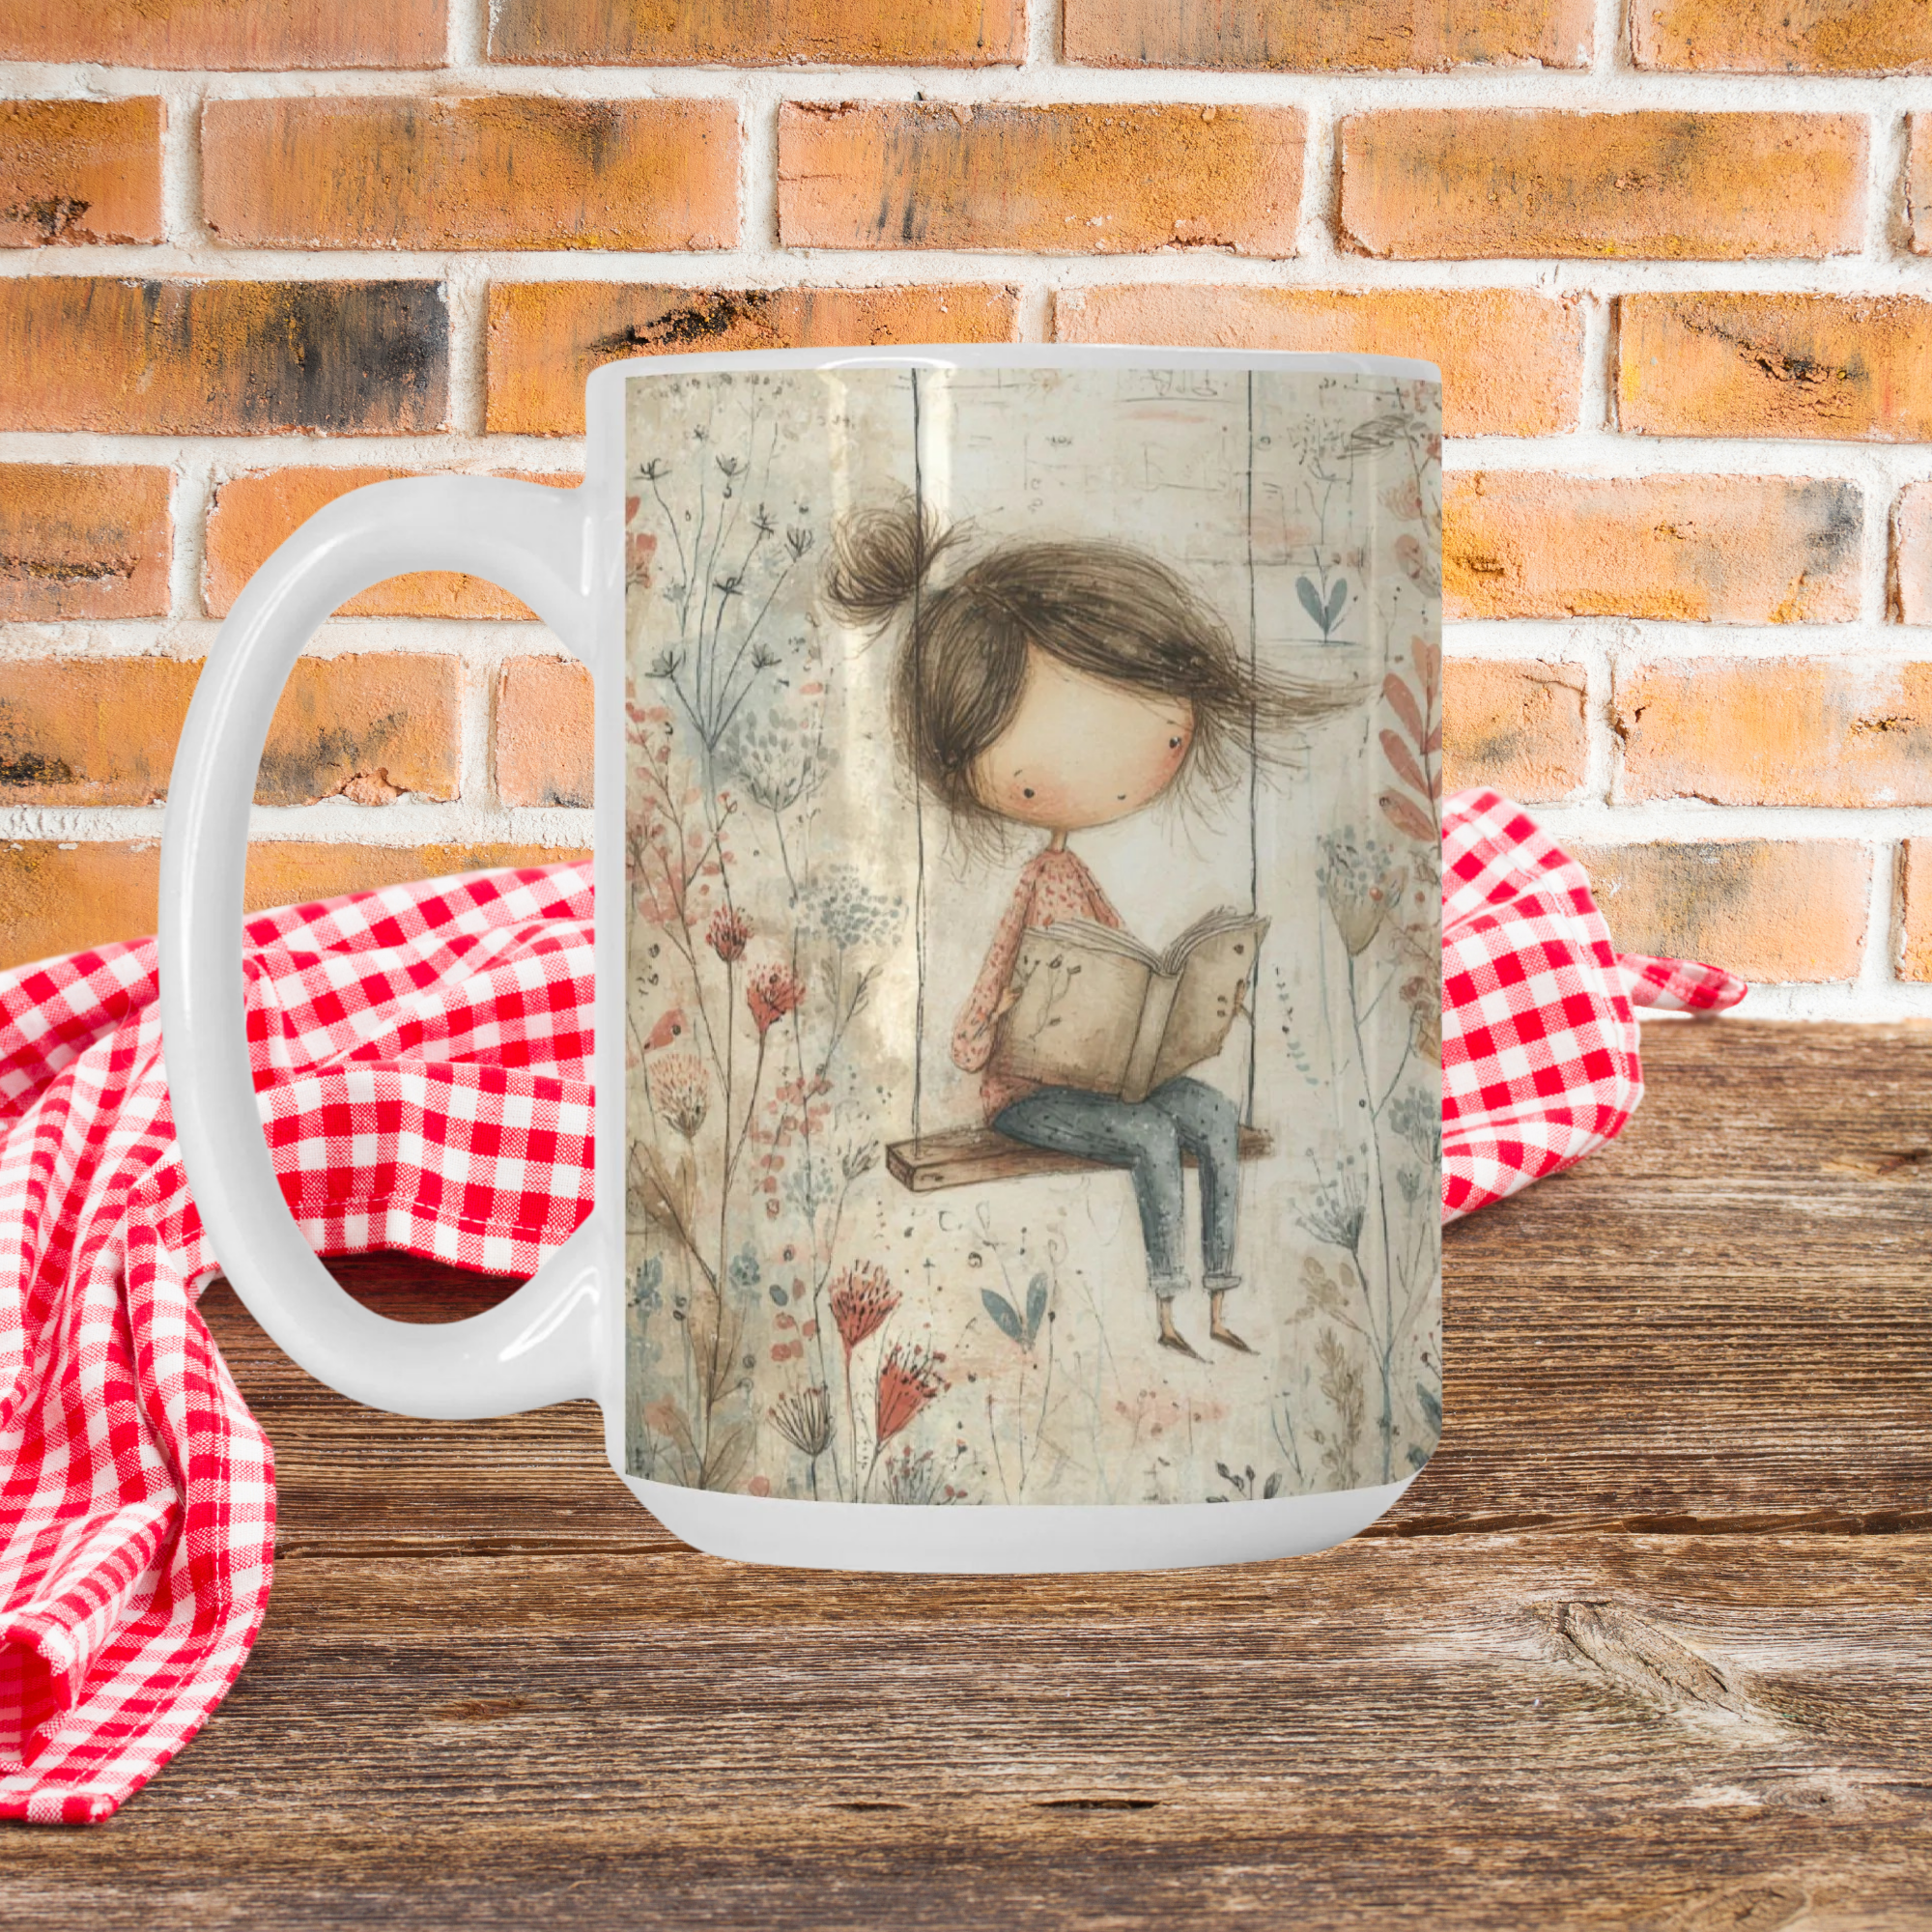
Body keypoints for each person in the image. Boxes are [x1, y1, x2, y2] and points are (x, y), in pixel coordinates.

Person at [826, 503, 1349, 1359]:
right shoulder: (1038, 883)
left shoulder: (1084, 883)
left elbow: (1128, 978)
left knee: (1211, 1114)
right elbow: (975, 1019)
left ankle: (1223, 1295)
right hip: (1033, 1100)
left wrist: (1190, 1010)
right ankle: (1167, 1309)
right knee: (1149, 1135)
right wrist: (991, 1032)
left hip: (1112, 1089)